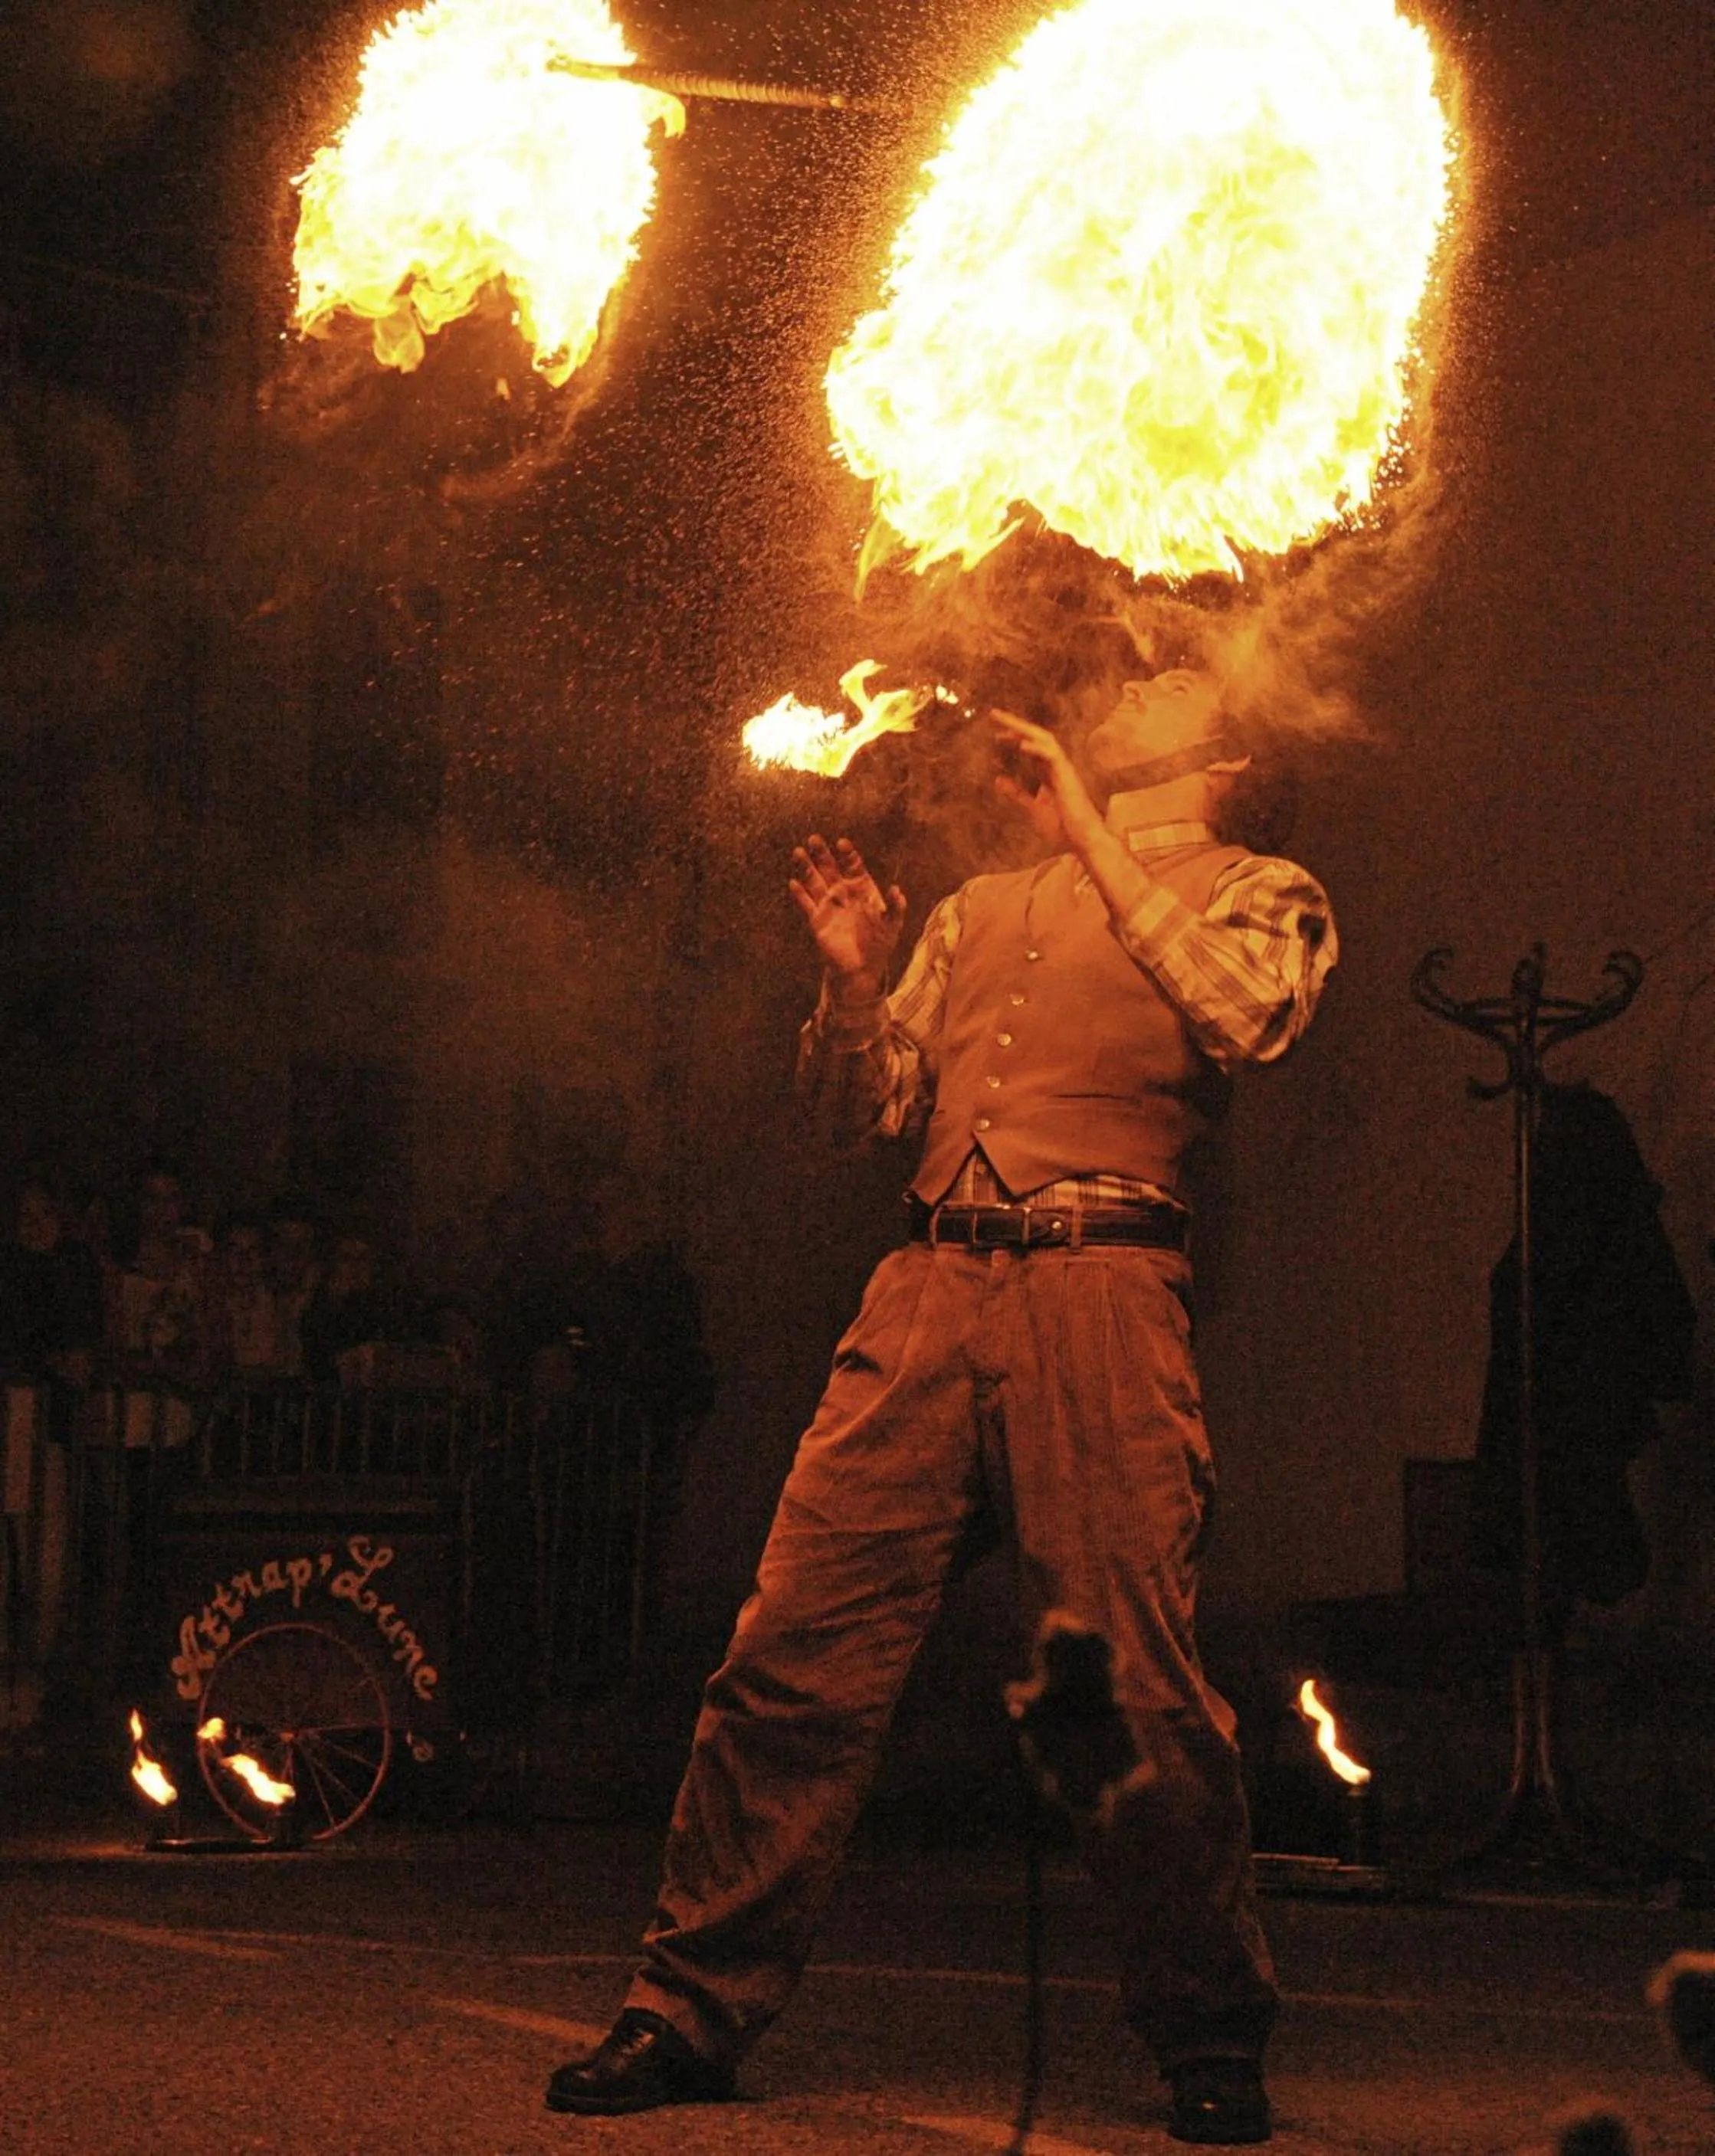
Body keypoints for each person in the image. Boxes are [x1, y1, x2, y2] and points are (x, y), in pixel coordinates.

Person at [546, 664, 1338, 2145]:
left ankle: (1208, 2030)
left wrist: (1094, 832)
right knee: (789, 1658)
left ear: (1225, 756)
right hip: (921, 1290)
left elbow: (1246, 1023)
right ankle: (687, 2005)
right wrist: (852, 985)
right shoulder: (981, 906)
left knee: (1141, 1690)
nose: (1130, 681)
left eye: (1167, 683)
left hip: (1101, 1289)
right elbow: (859, 1113)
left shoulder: (1263, 886)